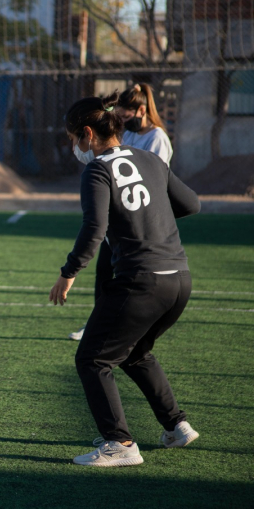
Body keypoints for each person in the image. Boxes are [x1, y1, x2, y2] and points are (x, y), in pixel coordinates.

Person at [50, 93, 201, 467]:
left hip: (142, 281)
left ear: (87, 133)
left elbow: (94, 228)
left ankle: (120, 444)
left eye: (73, 139)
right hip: (179, 280)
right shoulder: (150, 159)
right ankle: (176, 426)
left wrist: (68, 273)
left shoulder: (97, 169)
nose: (75, 147)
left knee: (92, 359)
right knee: (135, 352)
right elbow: (191, 204)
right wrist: (152, 219)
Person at [69, 82, 173, 341]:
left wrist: (68, 272)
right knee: (104, 270)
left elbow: (156, 178)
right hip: (120, 218)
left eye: (127, 116)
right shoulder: (124, 140)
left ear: (141, 110)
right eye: (121, 117)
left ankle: (124, 324)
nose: (124, 122)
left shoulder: (157, 138)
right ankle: (99, 323)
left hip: (139, 220)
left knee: (91, 361)